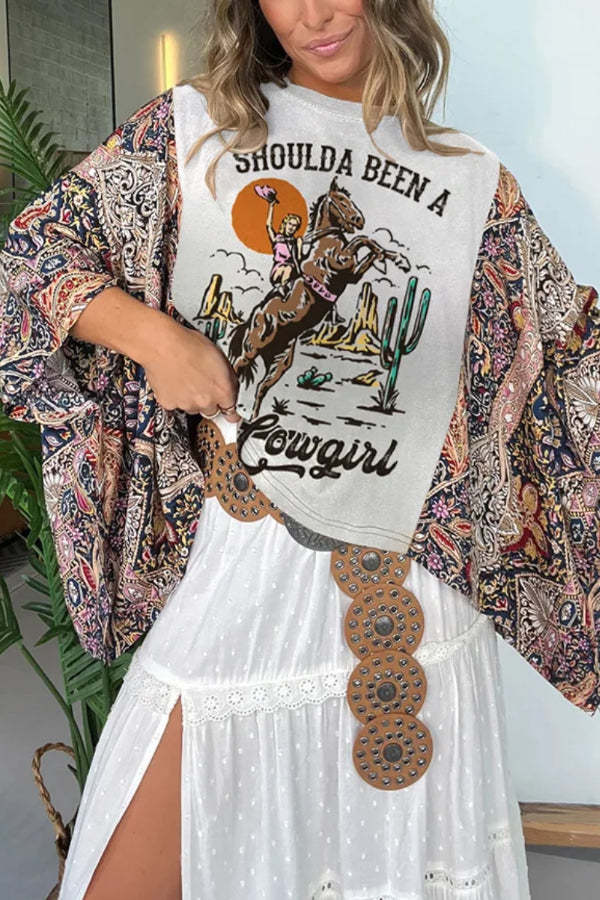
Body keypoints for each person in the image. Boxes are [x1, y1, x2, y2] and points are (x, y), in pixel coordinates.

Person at [0, 2, 598, 899]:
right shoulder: (194, 132)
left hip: (418, 602)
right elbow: (32, 260)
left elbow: (565, 358)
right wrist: (157, 341)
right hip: (248, 573)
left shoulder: (474, 181)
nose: (313, 13)